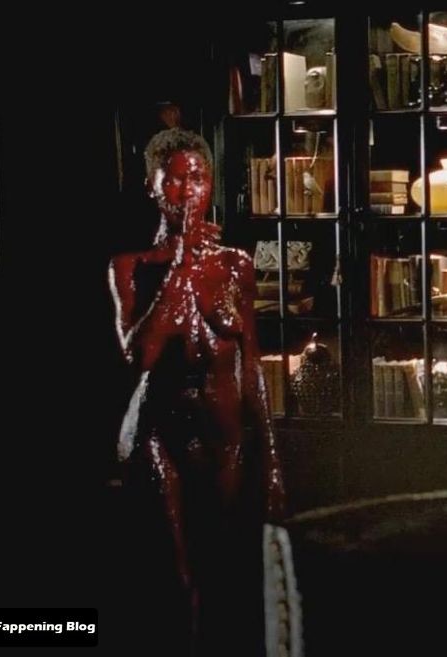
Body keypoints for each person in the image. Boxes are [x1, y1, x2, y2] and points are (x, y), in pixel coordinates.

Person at [108, 128, 286, 654]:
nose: (189, 190)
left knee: (223, 567)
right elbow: (139, 356)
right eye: (176, 179)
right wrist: (181, 263)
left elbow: (251, 366)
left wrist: (273, 462)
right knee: (176, 572)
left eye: (199, 178)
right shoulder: (130, 268)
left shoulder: (236, 266)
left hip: (224, 436)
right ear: (153, 186)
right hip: (158, 432)